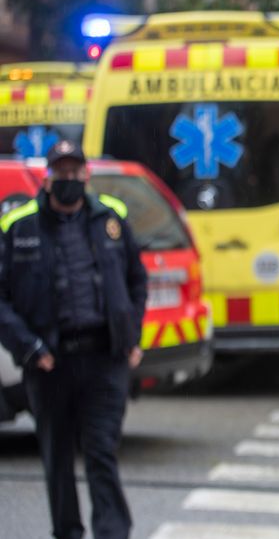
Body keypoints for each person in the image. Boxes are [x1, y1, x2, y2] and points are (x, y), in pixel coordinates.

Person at [0, 139, 147, 539]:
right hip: (50, 364)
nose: (68, 179)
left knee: (101, 451)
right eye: (60, 172)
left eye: (75, 171)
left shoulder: (110, 219)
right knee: (57, 458)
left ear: (86, 174)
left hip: (104, 359)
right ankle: (67, 531)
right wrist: (27, 347)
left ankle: (112, 532)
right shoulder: (20, 227)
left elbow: (137, 279)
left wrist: (131, 334)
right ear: (48, 179)